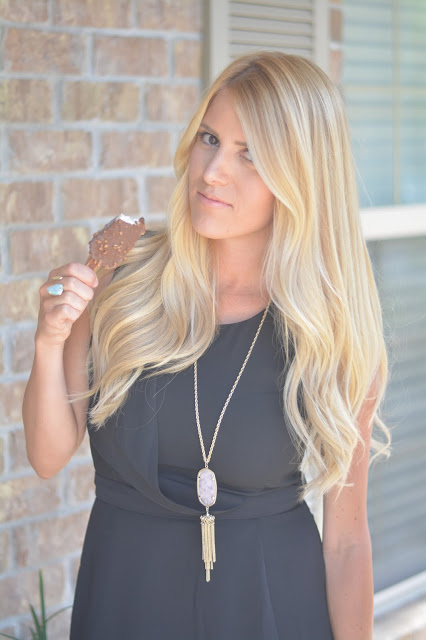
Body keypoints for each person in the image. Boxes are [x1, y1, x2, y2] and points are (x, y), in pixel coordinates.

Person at [23, 51, 391, 640]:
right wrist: (49, 341)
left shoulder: (331, 327)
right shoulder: (120, 273)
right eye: (210, 138)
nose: (213, 171)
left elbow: (346, 541)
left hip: (273, 610)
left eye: (251, 154)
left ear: (303, 176)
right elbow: (47, 456)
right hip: (125, 601)